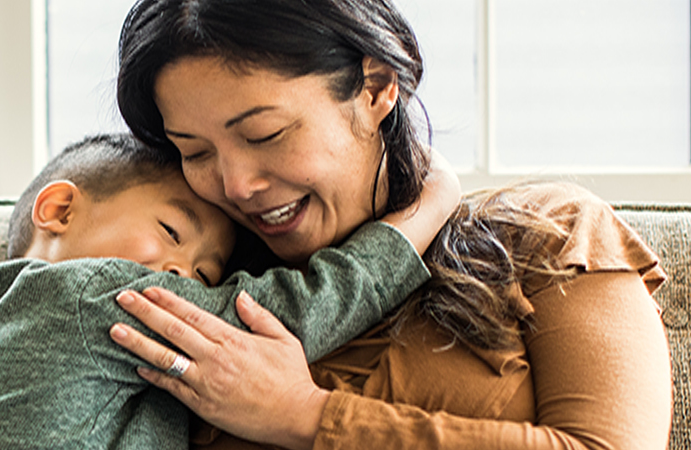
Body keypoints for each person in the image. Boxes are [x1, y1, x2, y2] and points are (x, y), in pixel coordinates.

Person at [102, 0, 671, 448]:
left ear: (376, 87)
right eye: (195, 153)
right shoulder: (189, 295)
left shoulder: (547, 234)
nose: (235, 185)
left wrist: (304, 415)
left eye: (264, 134)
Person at [0, 133, 457, 449]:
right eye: (170, 232)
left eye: (208, 276)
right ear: (59, 209)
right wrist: (422, 211)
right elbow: (290, 311)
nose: (185, 276)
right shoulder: (92, 293)